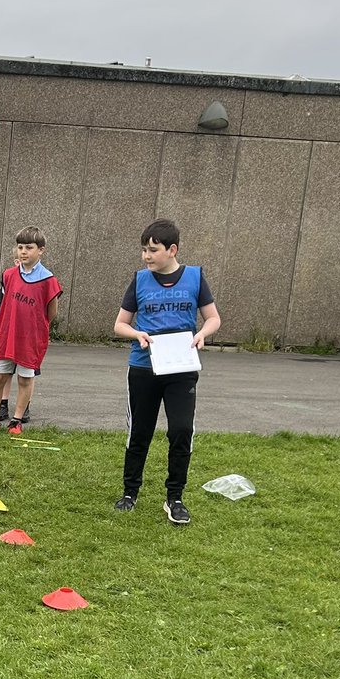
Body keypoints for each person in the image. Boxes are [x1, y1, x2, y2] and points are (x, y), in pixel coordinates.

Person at [112, 218, 221, 526]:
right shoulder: (139, 280)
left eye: (153, 250)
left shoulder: (195, 278)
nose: (146, 256)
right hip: (144, 368)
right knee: (140, 433)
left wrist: (202, 334)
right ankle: (130, 492)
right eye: (143, 250)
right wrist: (137, 335)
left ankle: (175, 498)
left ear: (172, 250)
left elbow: (213, 319)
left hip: (182, 369)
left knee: (182, 430)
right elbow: (119, 324)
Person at [0, 227, 63, 435]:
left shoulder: (48, 280)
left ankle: (16, 420)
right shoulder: (8, 275)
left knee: (25, 379)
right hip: (6, 336)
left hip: (30, 340)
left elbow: (51, 312)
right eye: (20, 247)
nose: (23, 251)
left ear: (41, 250)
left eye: (29, 247)